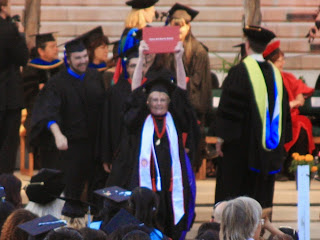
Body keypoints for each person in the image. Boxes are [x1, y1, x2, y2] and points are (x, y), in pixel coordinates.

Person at [108, 74, 199, 239]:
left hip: (171, 184)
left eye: (162, 100)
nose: (158, 104)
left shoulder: (175, 121)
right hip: (146, 181)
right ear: (147, 102)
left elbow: (182, 94)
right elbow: (134, 94)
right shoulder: (141, 121)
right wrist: (141, 57)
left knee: (171, 216)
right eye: (154, 100)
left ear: (169, 103)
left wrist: (179, 58)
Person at [215, 26, 292, 212]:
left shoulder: (239, 72)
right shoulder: (276, 75)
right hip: (267, 152)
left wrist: (220, 139)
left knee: (236, 199)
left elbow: (228, 111)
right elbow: (284, 112)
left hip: (240, 151)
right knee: (260, 202)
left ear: (247, 45)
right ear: (265, 48)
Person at [30, 38, 106, 218]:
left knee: (96, 192)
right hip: (70, 149)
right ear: (68, 59)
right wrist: (58, 135)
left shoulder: (95, 77)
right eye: (77, 57)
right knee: (71, 194)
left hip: (94, 146)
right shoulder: (57, 83)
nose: (83, 61)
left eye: (85, 56)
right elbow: (49, 113)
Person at [165, 3, 212, 170]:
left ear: (188, 26)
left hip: (188, 109)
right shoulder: (164, 48)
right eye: (174, 25)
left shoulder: (198, 51)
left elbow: (197, 83)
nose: (178, 29)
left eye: (181, 26)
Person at [263, 40, 315, 180]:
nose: (283, 63)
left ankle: (296, 168)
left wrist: (295, 101)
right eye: (280, 60)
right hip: (274, 116)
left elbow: (300, 97)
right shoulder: (267, 78)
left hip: (291, 115)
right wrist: (290, 104)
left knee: (303, 124)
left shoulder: (288, 77)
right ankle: (278, 168)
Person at [22, 32, 63, 170]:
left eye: (56, 46)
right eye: (52, 46)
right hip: (38, 117)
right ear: (40, 50)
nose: (56, 49)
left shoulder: (60, 67)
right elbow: (26, 97)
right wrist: (38, 90)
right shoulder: (30, 70)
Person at [0, 0, 29, 174]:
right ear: (3, 7)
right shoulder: (9, 29)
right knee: (7, 149)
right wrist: (21, 34)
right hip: (8, 97)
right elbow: (23, 58)